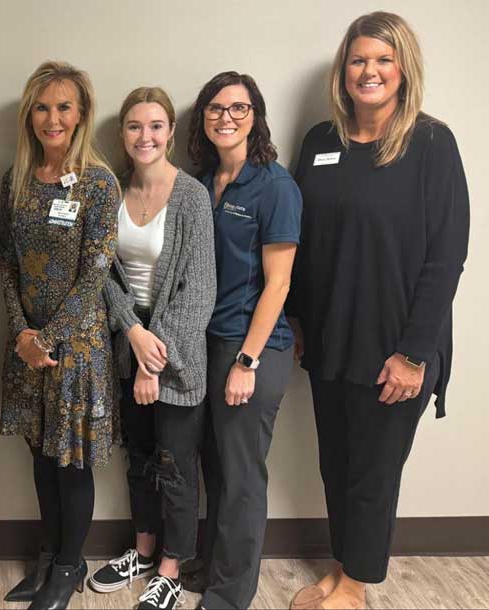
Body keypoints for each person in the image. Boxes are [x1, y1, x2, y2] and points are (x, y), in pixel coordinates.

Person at [287, 12, 469, 610]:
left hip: (397, 345)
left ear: (402, 68)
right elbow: (300, 242)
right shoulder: (319, 142)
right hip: (333, 337)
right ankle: (342, 571)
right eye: (359, 59)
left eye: (382, 60)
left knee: (373, 470)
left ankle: (357, 586)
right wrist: (300, 321)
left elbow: (446, 259)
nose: (370, 71)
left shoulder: (432, 144)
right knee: (337, 466)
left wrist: (414, 354)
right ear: (344, 71)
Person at [88, 87, 216, 610]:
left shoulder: (191, 197)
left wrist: (154, 360)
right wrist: (132, 336)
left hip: (177, 359)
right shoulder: (110, 192)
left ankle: (171, 567)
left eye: (156, 125)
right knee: (138, 458)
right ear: (122, 134)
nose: (146, 136)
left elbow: (200, 289)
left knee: (176, 465)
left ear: (170, 132)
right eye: (135, 126)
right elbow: (100, 273)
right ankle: (142, 552)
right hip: (125, 345)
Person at [0, 60, 120, 610]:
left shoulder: (98, 182)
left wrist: (46, 340)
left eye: (63, 107)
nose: (53, 118)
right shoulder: (15, 179)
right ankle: (50, 556)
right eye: (43, 107)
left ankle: (70, 566)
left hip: (76, 349)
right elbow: (5, 263)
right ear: (30, 115)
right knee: (41, 458)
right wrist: (22, 333)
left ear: (80, 115)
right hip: (26, 348)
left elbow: (96, 273)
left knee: (71, 462)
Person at [188, 71, 302, 610]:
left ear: (255, 116)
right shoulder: (205, 179)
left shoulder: (275, 186)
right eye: (215, 108)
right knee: (215, 465)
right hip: (208, 341)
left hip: (251, 348)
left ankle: (231, 594)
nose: (225, 117)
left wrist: (247, 361)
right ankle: (214, 566)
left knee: (240, 477)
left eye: (238, 108)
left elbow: (278, 283)